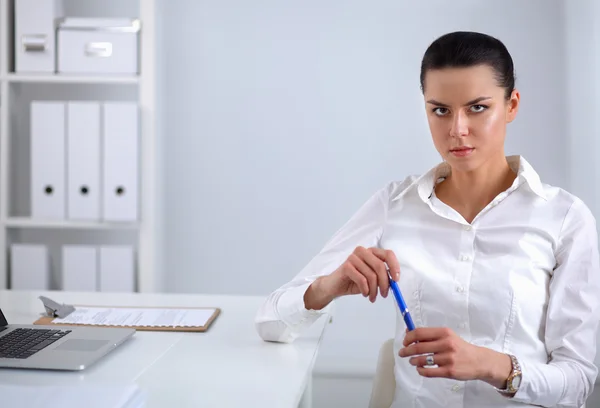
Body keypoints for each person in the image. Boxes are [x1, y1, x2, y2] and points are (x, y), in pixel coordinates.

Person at [254, 31, 600, 408]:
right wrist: (329, 286)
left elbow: (579, 381)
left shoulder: (565, 218)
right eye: (441, 110)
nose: (457, 130)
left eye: (478, 108)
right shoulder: (395, 204)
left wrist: (492, 365)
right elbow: (271, 322)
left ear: (512, 105)